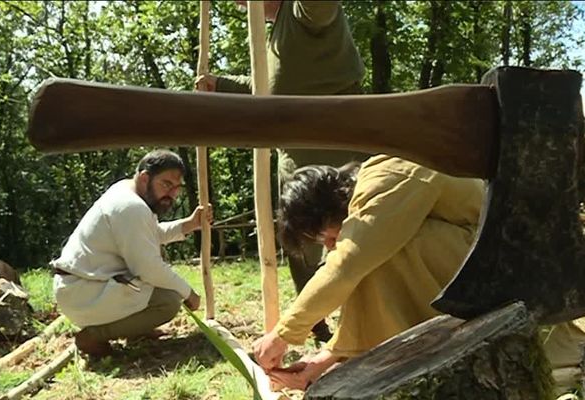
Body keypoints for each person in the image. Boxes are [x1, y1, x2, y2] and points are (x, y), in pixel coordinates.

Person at [195, 0, 371, 342]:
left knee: (350, 233)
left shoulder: (303, 11)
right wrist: (222, 84)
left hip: (335, 146)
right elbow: (270, 85)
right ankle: (314, 316)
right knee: (300, 239)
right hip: (294, 155)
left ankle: (364, 321)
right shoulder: (274, 35)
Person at [252, 155, 485, 389]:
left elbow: (350, 263)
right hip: (473, 268)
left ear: (328, 207)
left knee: (367, 253)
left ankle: (409, 356)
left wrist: (283, 334)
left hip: (493, 270)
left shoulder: (388, 177)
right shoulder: (372, 197)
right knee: (366, 251)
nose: (329, 245)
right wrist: (324, 360)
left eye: (323, 236)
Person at [51, 149, 212, 357]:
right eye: (166, 185)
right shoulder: (131, 207)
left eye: (176, 188)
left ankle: (135, 329)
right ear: (145, 178)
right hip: (83, 292)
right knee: (168, 301)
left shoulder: (129, 192)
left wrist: (189, 225)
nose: (172, 195)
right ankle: (93, 336)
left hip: (86, 286)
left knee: (160, 286)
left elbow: (149, 235)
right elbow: (149, 268)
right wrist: (189, 293)